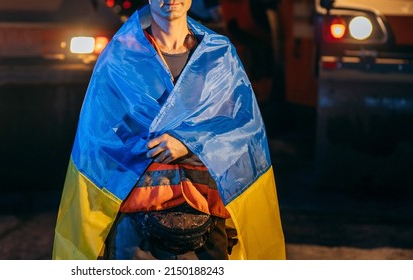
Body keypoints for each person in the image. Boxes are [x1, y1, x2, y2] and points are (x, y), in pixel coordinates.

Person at [52, 0, 285, 260]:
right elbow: (101, 131)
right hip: (137, 212)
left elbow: (241, 127)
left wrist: (187, 142)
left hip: (205, 209)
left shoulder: (218, 56)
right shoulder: (121, 55)